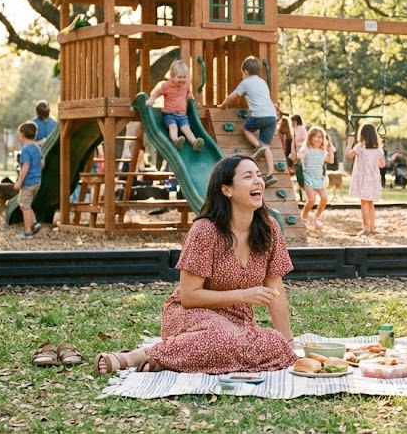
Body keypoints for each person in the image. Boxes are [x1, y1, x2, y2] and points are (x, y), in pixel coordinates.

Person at [94, 155, 297, 375]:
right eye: (248, 176)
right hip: (190, 315)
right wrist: (243, 295)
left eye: (259, 175)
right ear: (226, 190)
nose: (258, 181)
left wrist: (288, 341)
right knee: (225, 338)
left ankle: (171, 360)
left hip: (238, 322)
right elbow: (189, 297)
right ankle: (139, 356)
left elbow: (275, 289)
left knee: (275, 344)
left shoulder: (269, 228)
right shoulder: (205, 230)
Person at [218, 57, 278, 186]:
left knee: (246, 129)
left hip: (259, 115)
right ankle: (270, 174)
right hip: (272, 116)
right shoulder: (262, 82)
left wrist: (223, 105)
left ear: (245, 71)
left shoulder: (246, 82)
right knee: (266, 145)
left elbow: (232, 97)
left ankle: (257, 147)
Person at [147, 60, 204, 152]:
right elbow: (157, 93)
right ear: (172, 76)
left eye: (184, 77)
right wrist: (151, 100)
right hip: (169, 114)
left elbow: (188, 92)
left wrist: (190, 95)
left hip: (182, 115)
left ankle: (194, 142)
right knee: (173, 127)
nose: (182, 80)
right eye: (179, 77)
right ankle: (175, 141)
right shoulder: (166, 86)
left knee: (187, 129)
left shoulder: (185, 85)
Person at [345, 123, 385, 236]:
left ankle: (366, 228)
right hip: (373, 178)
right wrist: (373, 162)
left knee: (364, 203)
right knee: (370, 202)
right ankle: (372, 226)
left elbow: (348, 156)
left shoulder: (359, 147)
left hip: (363, 178)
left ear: (361, 134)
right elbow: (382, 164)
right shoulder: (378, 149)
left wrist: (349, 144)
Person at [299, 126, 335, 227]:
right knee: (311, 200)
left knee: (324, 198)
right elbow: (298, 157)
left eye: (320, 137)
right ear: (310, 138)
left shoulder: (323, 151)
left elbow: (331, 160)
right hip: (308, 178)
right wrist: (296, 155)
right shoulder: (306, 149)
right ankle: (304, 217)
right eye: (315, 137)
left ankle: (317, 217)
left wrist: (330, 147)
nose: (318, 139)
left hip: (319, 179)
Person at [15, 121, 44, 239]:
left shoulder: (25, 150)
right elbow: (42, 163)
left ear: (22, 135)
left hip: (28, 183)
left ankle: (27, 232)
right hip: (37, 181)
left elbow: (25, 166)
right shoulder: (37, 147)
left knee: (24, 206)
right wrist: (37, 172)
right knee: (28, 204)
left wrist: (19, 182)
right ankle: (34, 223)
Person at [288, 115, 307, 199]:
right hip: (296, 153)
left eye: (293, 121)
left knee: (300, 173)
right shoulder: (296, 129)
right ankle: (301, 194)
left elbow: (300, 140)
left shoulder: (301, 129)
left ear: (296, 121)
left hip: (299, 153)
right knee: (297, 173)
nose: (292, 123)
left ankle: (303, 192)